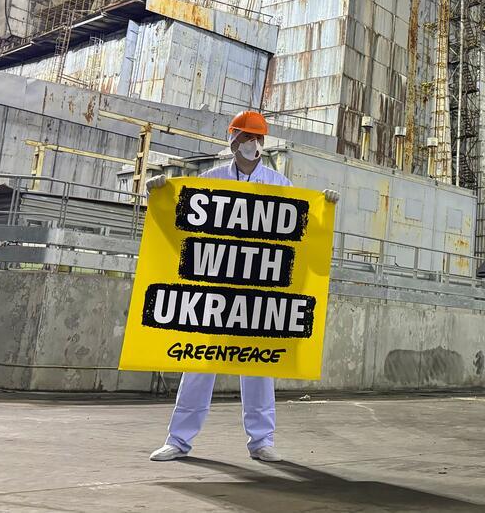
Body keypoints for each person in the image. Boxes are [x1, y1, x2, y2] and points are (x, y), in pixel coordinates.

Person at [145, 110, 339, 462]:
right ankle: (178, 440)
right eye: (247, 138)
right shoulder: (212, 180)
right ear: (233, 141)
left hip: (257, 292)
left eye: (258, 138)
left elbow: (304, 227)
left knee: (258, 368)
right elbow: (180, 219)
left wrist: (324, 209)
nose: (253, 144)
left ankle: (262, 441)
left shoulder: (278, 185)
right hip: (215, 290)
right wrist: (158, 195)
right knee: (198, 366)